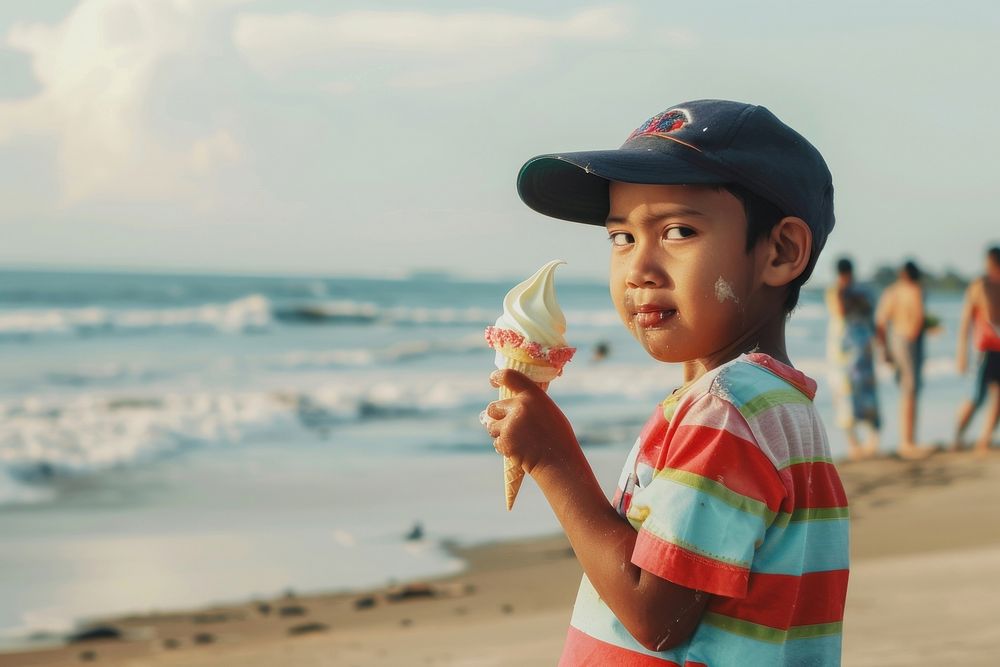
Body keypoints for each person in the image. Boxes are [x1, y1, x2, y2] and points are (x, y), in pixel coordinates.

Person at [481, 100, 848, 665]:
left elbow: (658, 616)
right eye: (621, 237)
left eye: (678, 231)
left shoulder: (728, 408)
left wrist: (552, 458)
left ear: (781, 251)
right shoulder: (772, 403)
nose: (639, 268)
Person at [875, 260, 932, 459]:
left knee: (908, 389)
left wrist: (885, 349)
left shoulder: (892, 291)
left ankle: (908, 439)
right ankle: (907, 441)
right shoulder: (915, 290)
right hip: (908, 340)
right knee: (910, 389)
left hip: (897, 339)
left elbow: (881, 322)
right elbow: (917, 319)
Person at [826, 257, 880, 459]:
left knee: (866, 389)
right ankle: (854, 443)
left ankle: (872, 439)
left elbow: (870, 314)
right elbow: (840, 310)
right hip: (841, 349)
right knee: (844, 392)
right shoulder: (835, 291)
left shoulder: (863, 291)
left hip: (860, 347)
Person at [953, 246, 1000, 455]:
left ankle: (984, 440)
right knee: (976, 396)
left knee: (998, 395)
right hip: (985, 348)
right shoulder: (980, 285)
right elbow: (966, 321)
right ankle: (958, 435)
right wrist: (962, 353)